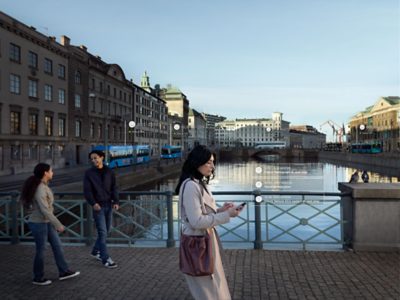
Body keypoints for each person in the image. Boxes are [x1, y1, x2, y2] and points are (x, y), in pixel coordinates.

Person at [175, 145, 243, 300]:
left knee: (212, 287)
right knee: (209, 290)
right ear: (197, 162)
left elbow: (202, 213)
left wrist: (221, 210)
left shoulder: (198, 183)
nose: (212, 166)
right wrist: (226, 215)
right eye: (209, 162)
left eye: (213, 162)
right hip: (198, 243)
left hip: (204, 241)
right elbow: (196, 221)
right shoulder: (191, 186)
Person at [20, 163, 80, 285]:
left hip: (46, 221)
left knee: (57, 246)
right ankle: (38, 277)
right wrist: (58, 224)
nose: (53, 173)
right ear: (45, 173)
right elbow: (45, 210)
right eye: (51, 171)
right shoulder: (40, 188)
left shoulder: (43, 185)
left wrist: (53, 223)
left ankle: (64, 271)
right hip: (38, 223)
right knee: (41, 250)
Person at [84, 150, 119, 268]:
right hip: (98, 207)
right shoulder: (89, 173)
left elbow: (114, 187)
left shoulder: (109, 171)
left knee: (107, 230)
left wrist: (116, 201)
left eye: (95, 158)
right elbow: (87, 191)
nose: (93, 160)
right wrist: (93, 203)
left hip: (109, 204)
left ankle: (95, 251)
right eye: (92, 159)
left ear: (102, 158)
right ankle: (106, 259)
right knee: (102, 232)